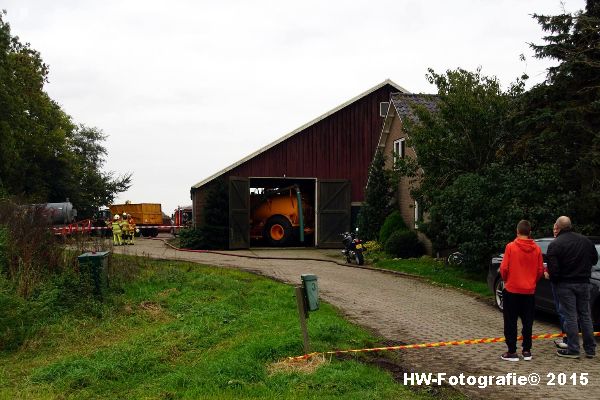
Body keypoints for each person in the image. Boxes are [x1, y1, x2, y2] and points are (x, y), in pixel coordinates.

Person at [546, 216, 598, 359]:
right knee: (586, 316)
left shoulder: (555, 245)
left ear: (558, 227)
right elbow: (594, 259)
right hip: (584, 283)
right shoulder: (586, 241)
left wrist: (556, 282)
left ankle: (574, 349)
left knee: (570, 317)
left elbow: (553, 269)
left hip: (565, 284)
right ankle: (590, 349)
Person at [500, 220, 544, 361]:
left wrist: (507, 280)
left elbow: (504, 268)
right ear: (530, 232)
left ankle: (512, 351)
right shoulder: (537, 249)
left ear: (517, 232)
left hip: (512, 289)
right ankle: (526, 350)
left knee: (510, 321)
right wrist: (532, 282)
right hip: (529, 291)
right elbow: (540, 270)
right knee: (528, 322)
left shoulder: (510, 247)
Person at [545, 223, 568, 349]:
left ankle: (567, 339)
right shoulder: (554, 243)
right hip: (559, 281)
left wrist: (551, 275)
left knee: (563, 311)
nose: (555, 231)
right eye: (553, 228)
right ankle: (567, 339)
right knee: (562, 311)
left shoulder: (558, 244)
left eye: (557, 229)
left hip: (560, 282)